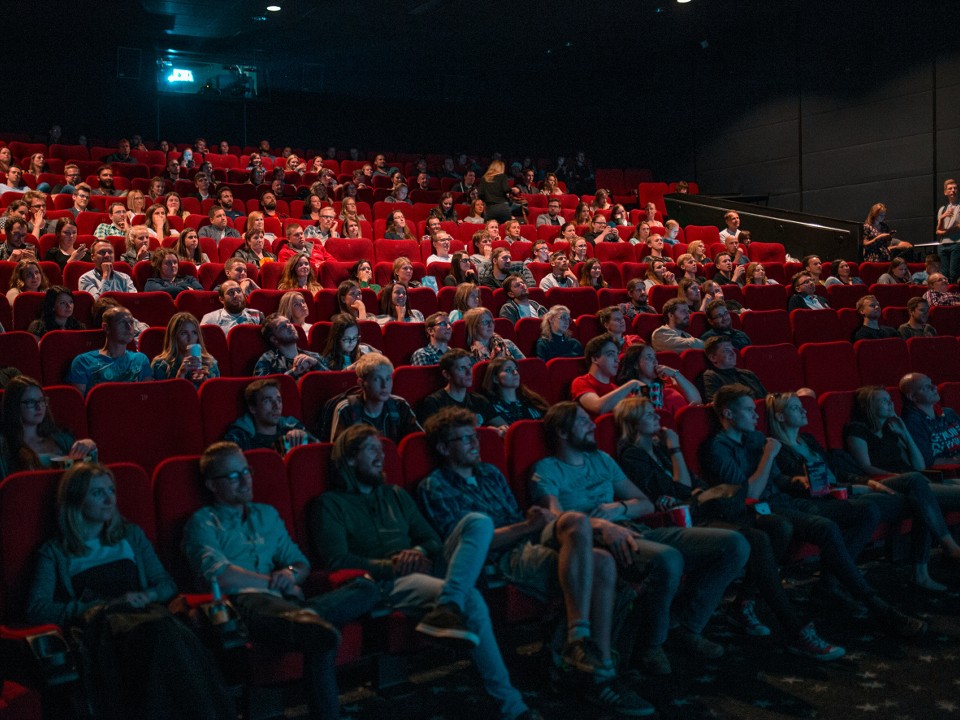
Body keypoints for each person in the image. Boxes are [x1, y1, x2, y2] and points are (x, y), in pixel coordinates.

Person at [418, 407, 652, 717]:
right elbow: (467, 546)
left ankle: (579, 642)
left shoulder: (489, 473)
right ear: (444, 448)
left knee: (578, 525)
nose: (475, 444)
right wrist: (527, 526)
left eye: (475, 436)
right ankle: (600, 675)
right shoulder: (436, 486)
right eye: (464, 439)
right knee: (602, 566)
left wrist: (531, 525)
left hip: (526, 540)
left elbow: (521, 521)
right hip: (499, 557)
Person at [311, 425, 542, 720]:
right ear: (350, 458)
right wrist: (392, 565)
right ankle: (513, 707)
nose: (381, 456)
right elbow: (337, 559)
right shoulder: (330, 504)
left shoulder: (395, 494)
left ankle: (448, 604)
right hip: (386, 582)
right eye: (372, 450)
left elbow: (432, 540)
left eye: (382, 450)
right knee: (470, 598)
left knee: (479, 522)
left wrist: (418, 553)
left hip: (425, 567)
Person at [613, 397, 845, 660]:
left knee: (777, 526)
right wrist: (677, 450)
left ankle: (744, 602)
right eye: (648, 414)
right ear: (632, 423)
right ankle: (795, 628)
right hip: (687, 520)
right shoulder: (633, 455)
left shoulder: (660, 448)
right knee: (756, 539)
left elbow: (692, 484)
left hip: (706, 509)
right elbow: (680, 489)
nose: (657, 416)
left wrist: (684, 474)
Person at [530, 403, 750, 669]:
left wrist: (619, 507)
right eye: (583, 421)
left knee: (735, 544)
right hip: (599, 541)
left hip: (636, 528)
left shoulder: (602, 459)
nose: (592, 425)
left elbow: (645, 504)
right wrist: (600, 525)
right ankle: (652, 645)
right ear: (562, 432)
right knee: (668, 559)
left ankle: (685, 625)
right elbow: (556, 520)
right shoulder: (547, 468)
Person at [703, 385, 927, 638]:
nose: (756, 416)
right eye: (748, 410)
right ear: (729, 414)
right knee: (826, 527)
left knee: (866, 510)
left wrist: (798, 481)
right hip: (760, 510)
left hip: (785, 499)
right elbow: (751, 492)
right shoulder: (718, 448)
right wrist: (768, 455)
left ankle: (829, 585)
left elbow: (778, 481)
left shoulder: (754, 439)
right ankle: (878, 606)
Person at [182, 442, 378, 720]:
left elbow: (300, 564)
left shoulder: (267, 515)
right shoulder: (203, 522)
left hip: (287, 603)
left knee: (365, 587)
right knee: (316, 632)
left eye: (246, 471)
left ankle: (308, 618)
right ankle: (309, 622)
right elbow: (219, 575)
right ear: (212, 485)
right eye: (233, 476)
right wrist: (273, 582)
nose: (244, 480)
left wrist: (289, 575)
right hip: (245, 607)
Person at [27, 463, 235, 720]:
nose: (109, 499)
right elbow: (37, 608)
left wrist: (146, 595)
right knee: (165, 632)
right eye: (97, 493)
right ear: (76, 500)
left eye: (111, 490)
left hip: (146, 614)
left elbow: (165, 584)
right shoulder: (55, 551)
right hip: (105, 627)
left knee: (170, 632)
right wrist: (93, 607)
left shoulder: (130, 535)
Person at [771, 390, 960, 593]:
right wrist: (857, 487)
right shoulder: (778, 449)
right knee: (918, 491)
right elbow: (811, 487)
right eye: (795, 407)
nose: (803, 410)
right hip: (838, 497)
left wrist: (869, 483)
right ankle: (938, 557)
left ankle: (930, 564)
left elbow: (839, 470)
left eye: (802, 405)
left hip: (858, 487)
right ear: (780, 417)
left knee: (919, 493)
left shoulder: (807, 440)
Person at [0, 376, 97, 478]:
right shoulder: (4, 447)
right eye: (31, 402)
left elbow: (88, 476)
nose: (39, 407)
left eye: (41, 400)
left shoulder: (62, 439)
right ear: (14, 406)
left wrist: (90, 447)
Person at [327, 353, 421, 443]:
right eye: (377, 379)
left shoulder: (400, 405)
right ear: (361, 383)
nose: (384, 385)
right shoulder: (347, 410)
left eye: (388, 379)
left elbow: (417, 441)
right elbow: (340, 453)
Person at [417, 349, 509, 430]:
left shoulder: (479, 400)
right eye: (462, 368)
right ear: (447, 374)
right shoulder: (434, 402)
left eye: (469, 366)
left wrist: (498, 430)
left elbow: (504, 427)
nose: (469, 372)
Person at [67, 306, 151, 395]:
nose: (129, 327)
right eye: (122, 322)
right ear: (106, 327)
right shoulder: (83, 362)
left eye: (131, 322)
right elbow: (78, 403)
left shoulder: (141, 359)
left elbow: (148, 398)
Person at [223, 379, 316, 451]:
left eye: (279, 400)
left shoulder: (293, 429)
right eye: (267, 401)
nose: (276, 406)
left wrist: (306, 436)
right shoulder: (240, 439)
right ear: (253, 408)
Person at [614, 343, 701, 415]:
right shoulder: (631, 393)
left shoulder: (668, 383)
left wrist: (675, 374)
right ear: (636, 365)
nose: (655, 362)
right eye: (649, 357)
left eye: (655, 357)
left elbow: (696, 400)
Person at [571, 334, 646, 417]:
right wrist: (632, 384)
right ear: (595, 359)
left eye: (617, 354)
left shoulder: (616, 389)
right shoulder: (582, 382)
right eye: (611, 354)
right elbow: (597, 407)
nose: (617, 360)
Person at [900, 372, 960, 468]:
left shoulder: (948, 412)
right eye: (926, 387)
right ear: (912, 397)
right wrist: (956, 461)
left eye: (932, 383)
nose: (934, 388)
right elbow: (927, 461)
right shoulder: (912, 422)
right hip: (944, 474)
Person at [150, 311, 219, 384]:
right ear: (174, 337)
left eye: (194, 333)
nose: (190, 338)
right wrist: (181, 374)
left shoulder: (209, 362)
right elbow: (164, 395)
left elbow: (216, 393)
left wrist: (205, 382)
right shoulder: (160, 365)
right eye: (184, 333)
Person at [481, 357, 549, 424]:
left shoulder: (531, 400)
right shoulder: (491, 408)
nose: (515, 373)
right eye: (508, 370)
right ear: (495, 379)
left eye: (516, 369)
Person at [254, 313, 322, 379]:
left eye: (288, 322)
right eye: (282, 326)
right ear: (274, 339)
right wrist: (294, 372)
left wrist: (316, 364)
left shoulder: (314, 357)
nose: (289, 325)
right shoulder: (267, 360)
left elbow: (331, 381)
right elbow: (263, 387)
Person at [701, 336, 767, 402]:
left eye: (732, 350)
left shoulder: (748, 374)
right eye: (726, 350)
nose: (733, 353)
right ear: (713, 358)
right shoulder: (712, 376)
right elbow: (717, 404)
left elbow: (766, 398)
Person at [200, 280, 264, 332]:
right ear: (221, 299)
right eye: (230, 292)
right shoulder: (210, 319)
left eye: (239, 291)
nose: (236, 295)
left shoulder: (257, 315)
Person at [936, 179, 960, 282]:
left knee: (953, 274)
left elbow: (958, 227)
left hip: (956, 243)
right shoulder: (942, 209)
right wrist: (942, 218)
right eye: (950, 189)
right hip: (943, 245)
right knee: (944, 274)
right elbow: (938, 231)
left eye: (955, 188)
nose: (952, 190)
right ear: (945, 192)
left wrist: (945, 231)